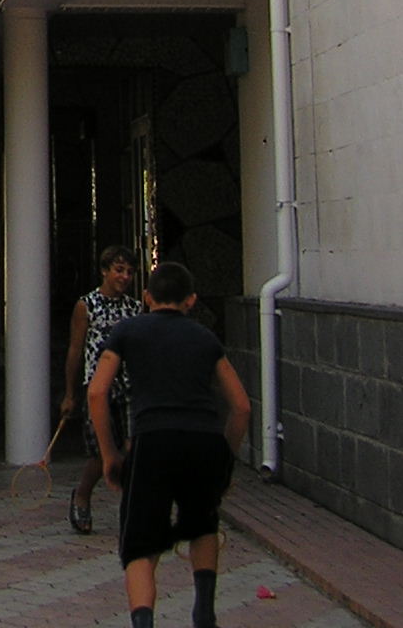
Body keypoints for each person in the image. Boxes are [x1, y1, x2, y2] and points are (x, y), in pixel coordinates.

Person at [88, 260, 251, 628]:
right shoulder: (206, 339)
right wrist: (226, 459)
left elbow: (97, 392)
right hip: (203, 440)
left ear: (147, 297)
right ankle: (204, 610)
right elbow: (241, 407)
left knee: (140, 543)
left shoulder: (127, 331)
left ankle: (144, 622)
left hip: (152, 441)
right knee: (203, 523)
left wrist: (110, 454)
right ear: (191, 300)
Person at [59, 243, 141, 533]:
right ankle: (82, 494)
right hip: (98, 387)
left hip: (129, 385)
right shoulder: (86, 305)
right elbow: (75, 349)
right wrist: (70, 393)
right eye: (119, 270)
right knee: (99, 452)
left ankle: (132, 508)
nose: (124, 277)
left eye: (129, 271)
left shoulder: (134, 308)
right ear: (105, 271)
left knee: (133, 447)